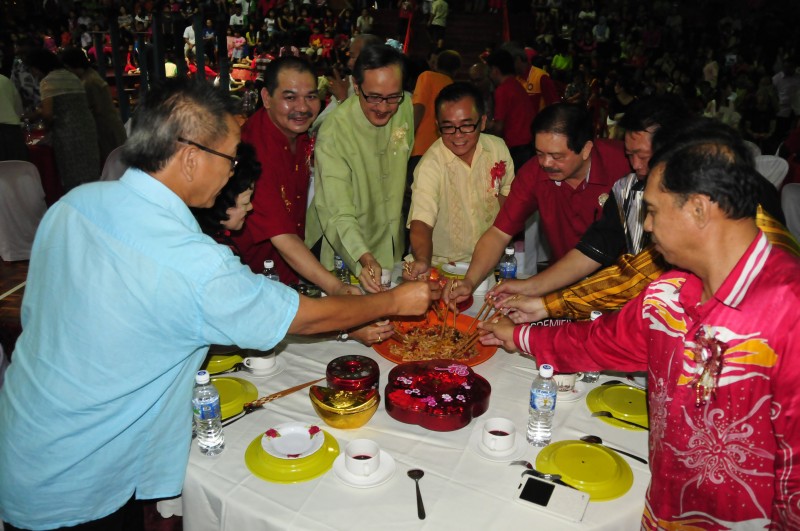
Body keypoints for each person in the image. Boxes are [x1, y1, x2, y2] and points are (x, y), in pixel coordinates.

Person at [0, 78, 431, 531]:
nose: (231, 172)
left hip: (22, 436)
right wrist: (395, 300)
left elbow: (41, 318)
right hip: (79, 477)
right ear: (190, 158)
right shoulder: (192, 262)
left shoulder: (75, 204)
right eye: (230, 159)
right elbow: (302, 316)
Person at [481, 121, 800, 529]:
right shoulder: (667, 296)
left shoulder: (786, 311)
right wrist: (518, 334)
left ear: (698, 209)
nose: (646, 227)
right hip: (666, 509)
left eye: (651, 210)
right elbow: (595, 343)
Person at [492, 117, 795, 322]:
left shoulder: (782, 295)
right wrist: (541, 300)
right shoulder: (630, 189)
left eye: (646, 157)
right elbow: (631, 273)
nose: (647, 225)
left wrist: (545, 304)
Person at [489, 96, 688, 306]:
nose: (635, 165)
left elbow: (638, 276)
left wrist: (550, 305)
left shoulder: (699, 198)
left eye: (643, 155)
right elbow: (594, 249)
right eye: (630, 155)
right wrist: (535, 291)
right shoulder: (626, 188)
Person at [446, 103, 629, 305]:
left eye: (556, 156)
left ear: (586, 149)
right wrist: (469, 282)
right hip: (562, 284)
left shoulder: (625, 164)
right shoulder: (534, 173)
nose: (546, 163)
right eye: (540, 153)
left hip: (624, 289)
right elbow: (498, 234)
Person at [306, 44, 414, 293]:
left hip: (390, 240)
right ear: (356, 86)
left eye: (392, 97)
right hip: (343, 246)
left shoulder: (405, 106)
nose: (384, 107)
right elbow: (337, 211)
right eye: (374, 97)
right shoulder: (334, 130)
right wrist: (363, 257)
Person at [405, 82, 514, 278]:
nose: (457, 136)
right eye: (449, 127)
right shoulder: (431, 165)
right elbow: (421, 222)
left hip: (489, 263)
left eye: (466, 126)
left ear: (482, 121)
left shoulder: (497, 149)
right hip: (443, 268)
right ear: (438, 127)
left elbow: (509, 197)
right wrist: (422, 261)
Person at [23, 49, 100, 191]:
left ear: (38, 66)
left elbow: (48, 114)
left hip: (68, 134)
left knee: (73, 175)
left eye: (32, 69)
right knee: (90, 173)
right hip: (87, 128)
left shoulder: (48, 81)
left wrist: (45, 126)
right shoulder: (71, 76)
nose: (33, 74)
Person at [59, 47, 127, 168]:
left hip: (106, 128)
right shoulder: (89, 76)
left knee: (113, 165)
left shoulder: (90, 81)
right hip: (107, 126)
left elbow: (97, 108)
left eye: (68, 68)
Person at [484, 49, 538, 170]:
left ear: (495, 70)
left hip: (518, 148)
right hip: (529, 145)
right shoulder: (516, 85)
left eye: (490, 71)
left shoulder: (503, 90)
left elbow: (499, 127)